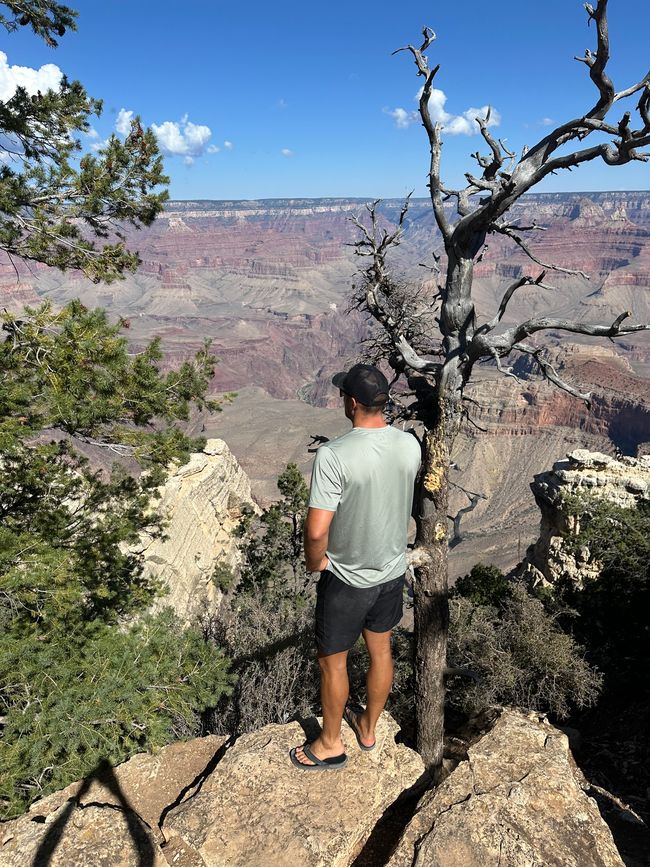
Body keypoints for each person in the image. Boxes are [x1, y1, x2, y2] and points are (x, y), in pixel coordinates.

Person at [290, 363, 421, 770]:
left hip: (347, 578)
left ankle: (330, 744)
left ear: (350, 402)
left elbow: (315, 532)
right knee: (381, 650)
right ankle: (367, 729)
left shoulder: (334, 455)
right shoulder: (410, 445)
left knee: (334, 660)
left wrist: (317, 564)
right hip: (392, 572)